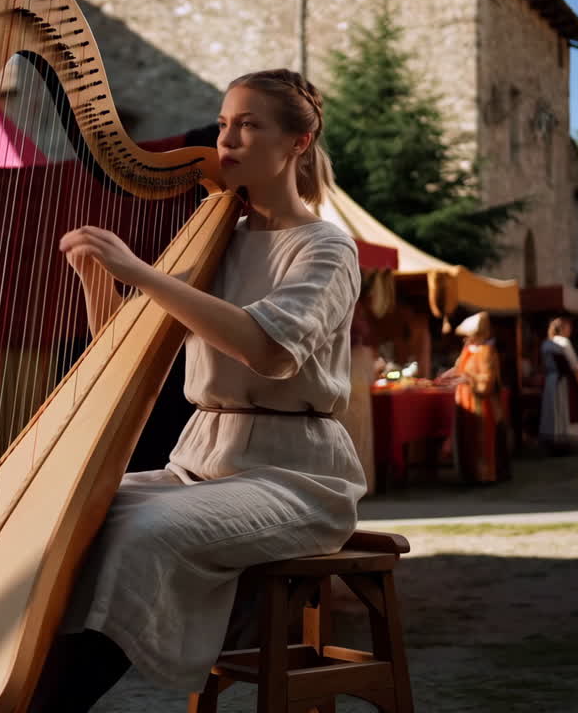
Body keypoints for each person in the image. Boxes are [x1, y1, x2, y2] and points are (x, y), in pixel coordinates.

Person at [31, 69, 364, 711]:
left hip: (296, 476)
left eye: (248, 124)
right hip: (199, 462)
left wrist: (140, 271)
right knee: (67, 507)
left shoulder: (326, 247)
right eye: (223, 124)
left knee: (143, 535)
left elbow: (269, 350)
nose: (227, 138)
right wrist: (98, 281)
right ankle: (12, 686)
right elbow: (131, 358)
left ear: (299, 141)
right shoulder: (217, 239)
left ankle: (47, 705)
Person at [437, 312, 505, 483]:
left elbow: (487, 379)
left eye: (469, 336)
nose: (465, 340)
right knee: (466, 436)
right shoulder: (467, 351)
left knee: (481, 438)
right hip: (464, 399)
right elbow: (459, 368)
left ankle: (484, 475)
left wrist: (468, 379)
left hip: (480, 401)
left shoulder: (487, 351)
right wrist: (445, 377)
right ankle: (469, 474)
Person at [539, 317, 578, 454]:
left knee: (552, 410)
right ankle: (565, 442)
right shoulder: (564, 342)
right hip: (564, 381)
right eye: (568, 328)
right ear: (562, 328)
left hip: (551, 380)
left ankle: (552, 441)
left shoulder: (546, 344)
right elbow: (573, 363)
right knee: (564, 410)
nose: (570, 331)